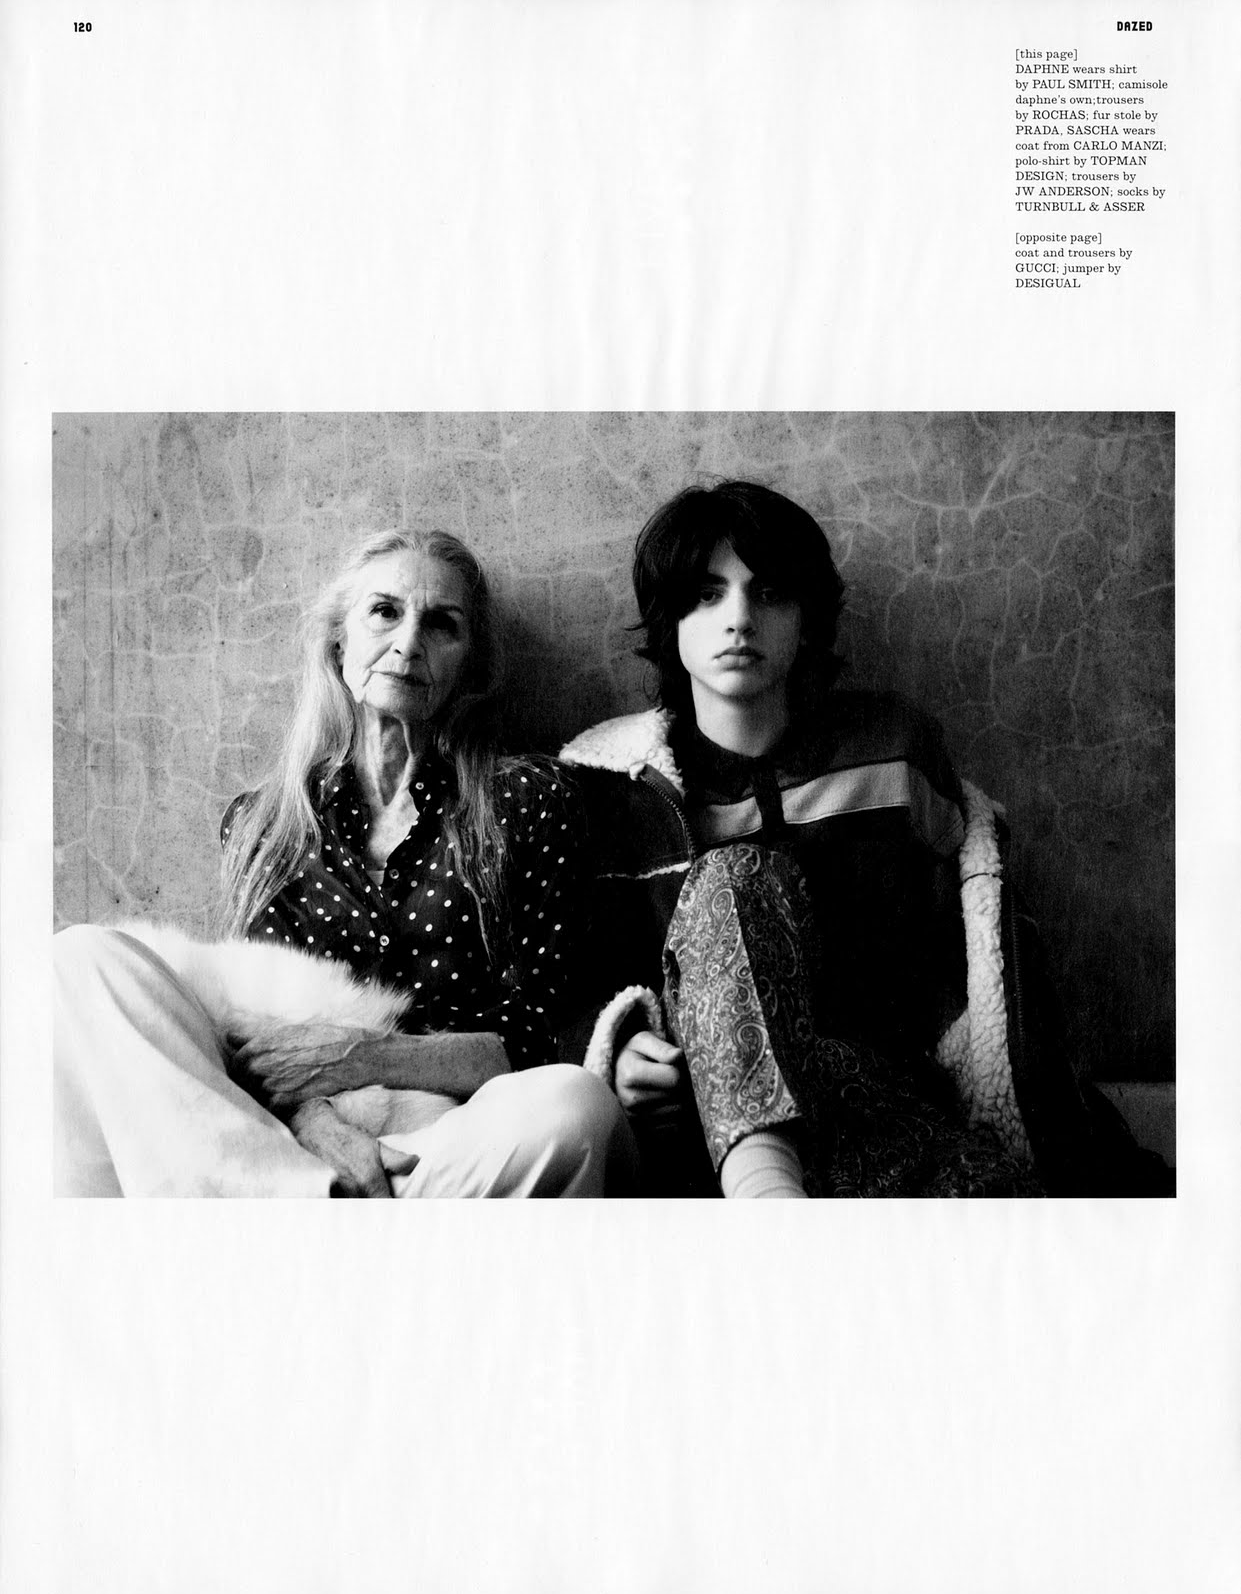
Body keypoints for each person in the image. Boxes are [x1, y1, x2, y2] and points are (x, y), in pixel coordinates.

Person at [559, 480, 1149, 1198]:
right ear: (669, 619)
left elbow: (970, 959)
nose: (738, 619)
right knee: (735, 879)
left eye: (769, 593)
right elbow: (571, 979)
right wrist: (618, 1046)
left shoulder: (892, 747)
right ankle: (766, 1198)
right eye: (707, 595)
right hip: (700, 1131)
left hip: (875, 1101)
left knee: (1011, 1208)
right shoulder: (611, 788)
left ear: (806, 616)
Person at [55, 529, 638, 1198]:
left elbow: (550, 1029)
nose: (408, 642)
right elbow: (247, 1024)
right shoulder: (264, 824)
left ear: (471, 665)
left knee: (573, 1107)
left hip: (447, 1143)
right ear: (339, 641)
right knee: (81, 958)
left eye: (442, 624)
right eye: (384, 612)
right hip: (284, 1139)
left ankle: (289, 1220)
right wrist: (317, 1125)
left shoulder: (527, 798)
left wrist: (364, 1057)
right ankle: (309, 1201)